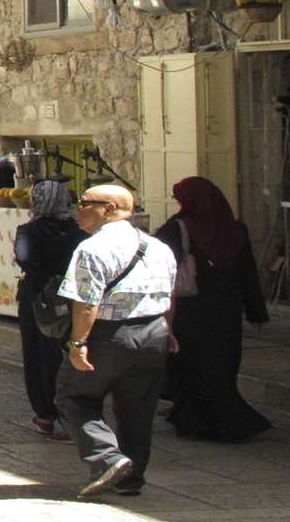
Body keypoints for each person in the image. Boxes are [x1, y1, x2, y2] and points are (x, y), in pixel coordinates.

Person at [57, 184, 178, 497]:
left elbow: (86, 302)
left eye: (84, 203)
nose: (77, 210)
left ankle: (107, 459)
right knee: (138, 407)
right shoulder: (158, 247)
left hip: (109, 334)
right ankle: (131, 477)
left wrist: (78, 343)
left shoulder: (92, 248)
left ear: (109, 208)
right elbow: (169, 294)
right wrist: (169, 330)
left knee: (74, 397)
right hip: (154, 332)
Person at [154, 177, 271, 443]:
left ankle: (196, 420)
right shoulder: (236, 230)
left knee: (189, 365)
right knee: (221, 364)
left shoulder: (176, 229)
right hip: (225, 311)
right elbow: (248, 274)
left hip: (189, 311)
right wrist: (256, 312)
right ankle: (224, 418)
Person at [14, 180, 81, 441]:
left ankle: (46, 413)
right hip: (73, 297)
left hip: (39, 299)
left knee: (39, 353)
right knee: (68, 350)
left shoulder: (29, 231)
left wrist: (46, 278)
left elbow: (25, 259)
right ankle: (70, 411)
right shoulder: (77, 231)